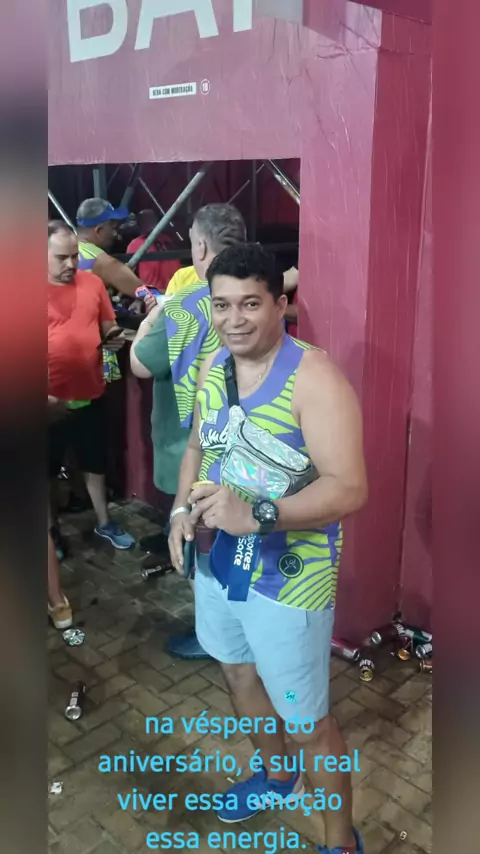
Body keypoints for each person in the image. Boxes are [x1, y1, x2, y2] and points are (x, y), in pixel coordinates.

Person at [168, 243, 368, 854]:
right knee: (237, 672)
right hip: (217, 563)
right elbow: (198, 448)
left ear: (280, 304)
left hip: (291, 578)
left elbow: (350, 488)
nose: (234, 320)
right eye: (222, 305)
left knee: (309, 723)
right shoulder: (214, 364)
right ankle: (278, 777)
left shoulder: (315, 379)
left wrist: (258, 514)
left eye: (250, 304)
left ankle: (340, 841)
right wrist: (179, 511)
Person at [130, 203, 247, 659]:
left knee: (200, 542)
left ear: (199, 247)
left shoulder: (184, 305)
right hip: (244, 444)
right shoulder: (254, 299)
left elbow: (142, 365)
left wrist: (149, 321)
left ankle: (213, 637)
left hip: (192, 446)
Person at [47, 221, 134, 551]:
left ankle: (104, 522)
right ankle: (51, 532)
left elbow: (108, 325)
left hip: (90, 392)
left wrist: (113, 337)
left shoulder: (93, 283)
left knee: (94, 464)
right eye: (61, 258)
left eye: (74, 256)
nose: (71, 264)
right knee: (46, 472)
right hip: (46, 402)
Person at [127, 209, 181, 291]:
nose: (151, 223)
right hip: (154, 293)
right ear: (140, 224)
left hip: (175, 290)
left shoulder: (166, 239)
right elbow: (129, 274)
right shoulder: (135, 244)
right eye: (147, 220)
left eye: (152, 219)